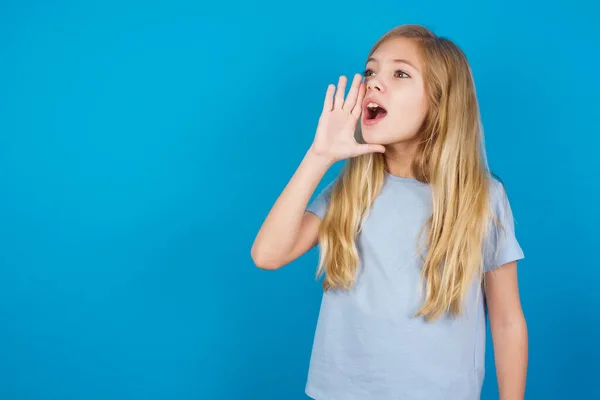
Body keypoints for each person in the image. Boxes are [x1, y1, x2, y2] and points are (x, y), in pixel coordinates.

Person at [251, 24, 527, 400]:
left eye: (400, 73)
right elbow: (267, 254)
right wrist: (319, 156)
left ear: (440, 103)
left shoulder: (481, 198)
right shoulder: (349, 191)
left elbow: (508, 320)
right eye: (370, 72)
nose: (373, 84)